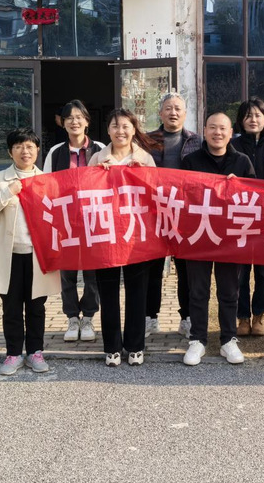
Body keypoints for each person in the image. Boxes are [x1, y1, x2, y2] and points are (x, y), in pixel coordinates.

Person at [0, 128, 61, 376]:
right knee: (11, 308)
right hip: (9, 256)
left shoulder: (48, 180)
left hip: (38, 256)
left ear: (37, 150)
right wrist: (7, 192)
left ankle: (35, 352)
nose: (25, 151)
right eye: (19, 146)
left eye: (30, 146)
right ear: (10, 151)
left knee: (36, 307)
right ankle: (13, 354)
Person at [180, 112, 255, 366]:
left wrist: (240, 186)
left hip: (230, 238)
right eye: (212, 128)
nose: (217, 133)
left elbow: (256, 198)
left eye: (222, 128)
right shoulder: (191, 161)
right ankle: (197, 339)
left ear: (231, 132)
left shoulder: (242, 161)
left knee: (229, 291)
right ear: (204, 130)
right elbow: (181, 195)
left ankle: (228, 339)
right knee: (198, 291)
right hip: (199, 235)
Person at [88, 108, 158, 367]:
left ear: (134, 129)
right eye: (115, 126)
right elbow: (85, 195)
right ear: (108, 130)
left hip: (136, 234)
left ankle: (135, 346)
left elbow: (156, 194)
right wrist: (97, 174)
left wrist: (142, 175)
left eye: (126, 126)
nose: (121, 131)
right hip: (106, 234)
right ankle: (112, 347)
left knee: (137, 291)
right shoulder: (97, 158)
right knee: (107, 292)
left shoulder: (145, 158)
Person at [43, 99, 105, 344]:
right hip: (65, 221)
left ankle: (88, 317)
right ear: (63, 123)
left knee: (92, 272)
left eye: (79, 117)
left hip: (93, 220)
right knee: (67, 272)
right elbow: (45, 185)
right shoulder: (56, 152)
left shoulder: (100, 149)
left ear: (87, 121)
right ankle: (71, 317)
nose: (74, 121)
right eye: (69, 117)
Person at [147, 92, 202, 339]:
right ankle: (150, 317)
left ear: (185, 113)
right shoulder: (147, 140)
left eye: (178, 108)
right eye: (168, 108)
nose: (173, 112)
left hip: (185, 215)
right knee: (152, 268)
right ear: (160, 113)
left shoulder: (196, 141)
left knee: (186, 270)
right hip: (154, 212)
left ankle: (187, 318)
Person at [230, 97, 264, 337]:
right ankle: (242, 317)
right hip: (240, 217)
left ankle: (259, 316)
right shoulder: (232, 145)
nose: (253, 120)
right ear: (241, 120)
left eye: (258, 115)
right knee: (239, 273)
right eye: (248, 115)